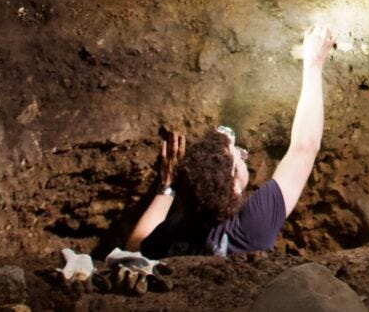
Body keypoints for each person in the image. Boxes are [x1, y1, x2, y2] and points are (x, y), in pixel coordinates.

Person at [127, 24, 335, 257]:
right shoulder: (250, 228)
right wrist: (314, 63)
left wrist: (166, 188)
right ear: (234, 188)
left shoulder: (179, 231)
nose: (243, 153)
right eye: (239, 155)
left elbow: (136, 246)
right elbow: (305, 147)